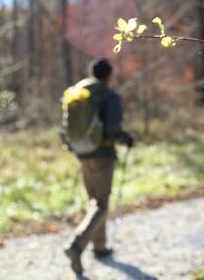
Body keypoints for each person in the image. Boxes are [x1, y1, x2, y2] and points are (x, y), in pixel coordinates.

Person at [63, 58, 133, 275]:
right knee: (101, 204)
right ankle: (77, 245)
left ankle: (100, 247)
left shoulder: (78, 92)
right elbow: (113, 129)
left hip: (82, 153)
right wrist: (126, 138)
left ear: (92, 73)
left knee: (95, 201)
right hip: (102, 155)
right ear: (109, 76)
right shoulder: (108, 95)